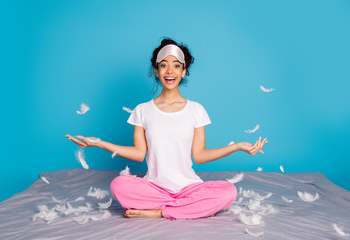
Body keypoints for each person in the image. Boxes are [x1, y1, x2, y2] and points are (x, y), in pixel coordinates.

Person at [66, 38, 267, 220]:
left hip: (189, 188)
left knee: (228, 191)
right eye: (164, 66)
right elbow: (138, 154)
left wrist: (238, 146)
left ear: (183, 71)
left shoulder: (196, 110)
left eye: (176, 66)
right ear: (156, 70)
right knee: (118, 185)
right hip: (153, 187)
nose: (170, 71)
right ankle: (192, 209)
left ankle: (160, 212)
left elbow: (200, 155)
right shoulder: (142, 110)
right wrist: (99, 143)